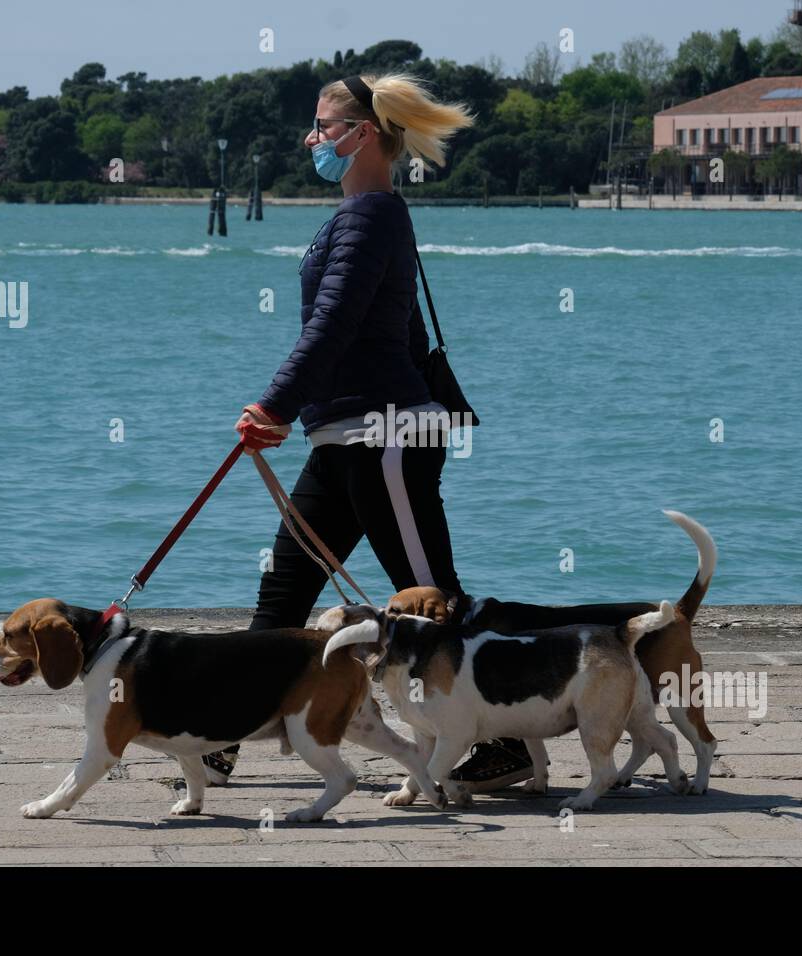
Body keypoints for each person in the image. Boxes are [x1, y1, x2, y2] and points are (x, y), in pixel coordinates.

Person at [203, 73, 538, 788]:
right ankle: (220, 732)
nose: (312, 138)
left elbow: (335, 326)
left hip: (384, 440)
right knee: (283, 591)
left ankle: (509, 735)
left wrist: (275, 407)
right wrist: (301, 414)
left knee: (431, 596)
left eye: (323, 126)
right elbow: (399, 332)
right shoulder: (363, 214)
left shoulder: (371, 216)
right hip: (343, 440)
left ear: (362, 134)